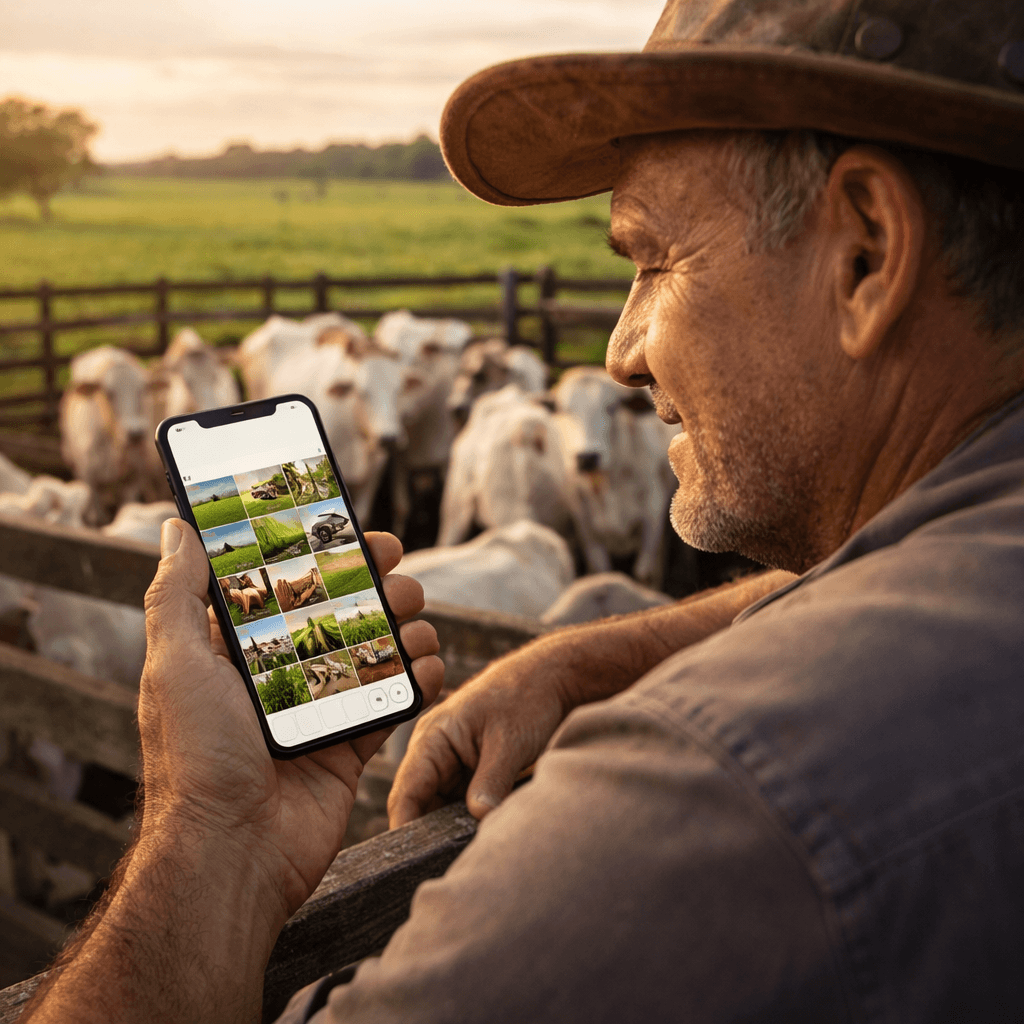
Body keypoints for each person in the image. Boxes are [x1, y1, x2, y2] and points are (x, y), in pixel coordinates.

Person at [20, 0, 1024, 1020]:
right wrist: (599, 655)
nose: (620, 351)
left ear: (864, 252)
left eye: (651, 260)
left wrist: (206, 832)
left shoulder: (711, 797)